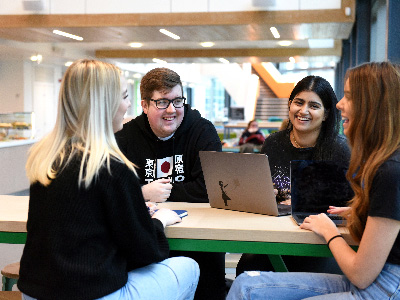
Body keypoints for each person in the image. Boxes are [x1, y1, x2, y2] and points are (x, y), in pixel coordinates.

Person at [17, 59, 199, 300]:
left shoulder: (45, 159)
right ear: (105, 105)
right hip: (94, 293)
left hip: (34, 293)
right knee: (189, 268)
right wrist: (158, 222)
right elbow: (146, 252)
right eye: (124, 96)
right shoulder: (113, 168)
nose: (129, 104)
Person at [228, 61, 400, 299]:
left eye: (349, 96)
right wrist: (361, 211)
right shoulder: (385, 163)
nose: (340, 104)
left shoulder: (388, 170)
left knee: (248, 286)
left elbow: (361, 275)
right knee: (244, 282)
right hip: (374, 277)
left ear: (372, 105)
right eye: (298, 102)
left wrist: (329, 230)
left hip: (380, 286)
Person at [115, 67, 226, 300]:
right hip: (147, 236)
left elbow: (212, 188)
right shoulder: (125, 137)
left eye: (177, 101)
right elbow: (112, 190)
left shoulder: (202, 130)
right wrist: (142, 191)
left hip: (201, 233)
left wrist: (158, 192)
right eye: (162, 102)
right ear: (144, 105)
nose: (172, 110)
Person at [236, 75, 351, 276]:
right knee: (246, 267)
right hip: (275, 235)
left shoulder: (340, 150)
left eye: (314, 106)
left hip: (319, 241)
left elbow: (352, 205)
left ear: (325, 114)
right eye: (298, 102)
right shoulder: (273, 143)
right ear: (290, 105)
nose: (303, 111)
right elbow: (263, 192)